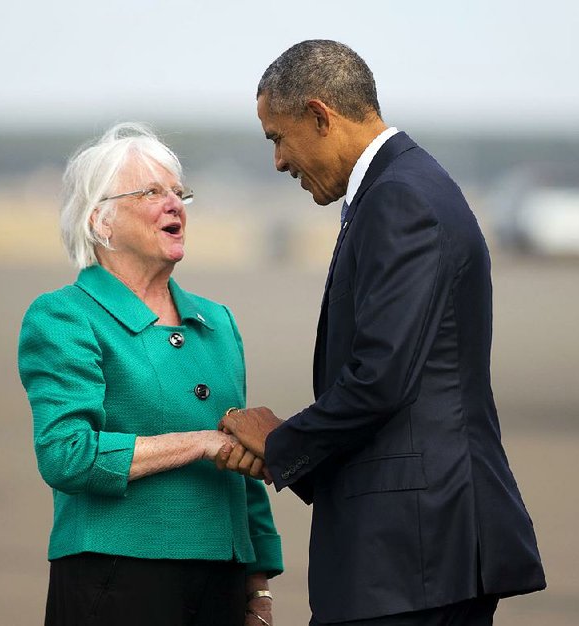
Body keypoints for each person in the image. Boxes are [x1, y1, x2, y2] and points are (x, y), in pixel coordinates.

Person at [218, 40, 546, 625]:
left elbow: (381, 378)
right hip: (416, 555)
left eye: (276, 137)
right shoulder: (402, 185)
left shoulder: (399, 198)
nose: (278, 162)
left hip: (412, 558)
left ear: (320, 116)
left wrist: (281, 442)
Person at [18, 122, 282, 626]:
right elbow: (66, 455)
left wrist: (259, 590)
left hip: (223, 582)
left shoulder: (217, 322)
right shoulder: (66, 316)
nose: (175, 204)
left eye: (179, 193)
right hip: (117, 581)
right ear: (101, 221)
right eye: (152, 192)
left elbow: (245, 463)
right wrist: (200, 443)